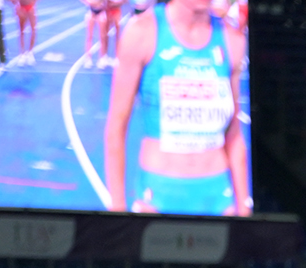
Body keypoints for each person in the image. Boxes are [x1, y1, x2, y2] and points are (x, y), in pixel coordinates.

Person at [102, 0, 251, 217]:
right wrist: (117, 210)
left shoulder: (232, 40)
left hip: (218, 195)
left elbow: (234, 133)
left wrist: (244, 210)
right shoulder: (142, 34)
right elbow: (116, 128)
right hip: (158, 196)